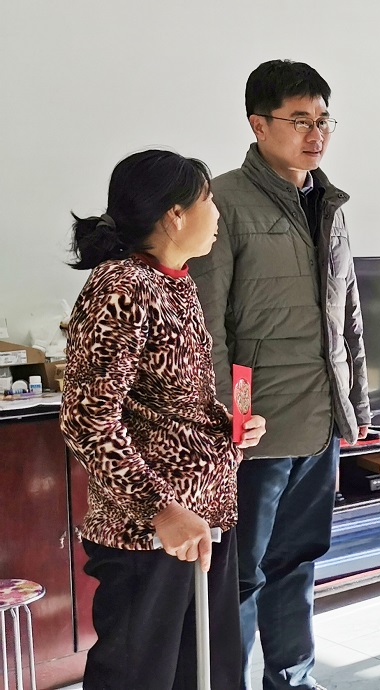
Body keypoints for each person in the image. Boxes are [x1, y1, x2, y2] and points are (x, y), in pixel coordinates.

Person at [187, 59, 369, 690]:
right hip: (254, 433)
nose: (316, 134)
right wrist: (224, 421)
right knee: (242, 574)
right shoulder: (223, 202)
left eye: (323, 120)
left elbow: (349, 317)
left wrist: (355, 407)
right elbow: (207, 325)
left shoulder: (329, 203)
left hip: (319, 423)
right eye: (299, 120)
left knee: (299, 563)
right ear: (258, 125)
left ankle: (292, 677)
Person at [61, 150, 268, 690]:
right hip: (149, 535)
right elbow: (87, 420)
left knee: (209, 672)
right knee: (141, 676)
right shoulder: (121, 288)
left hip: (202, 520)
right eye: (208, 201)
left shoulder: (175, 282)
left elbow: (168, 405)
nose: (217, 213)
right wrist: (161, 509)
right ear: (175, 215)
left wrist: (227, 425)